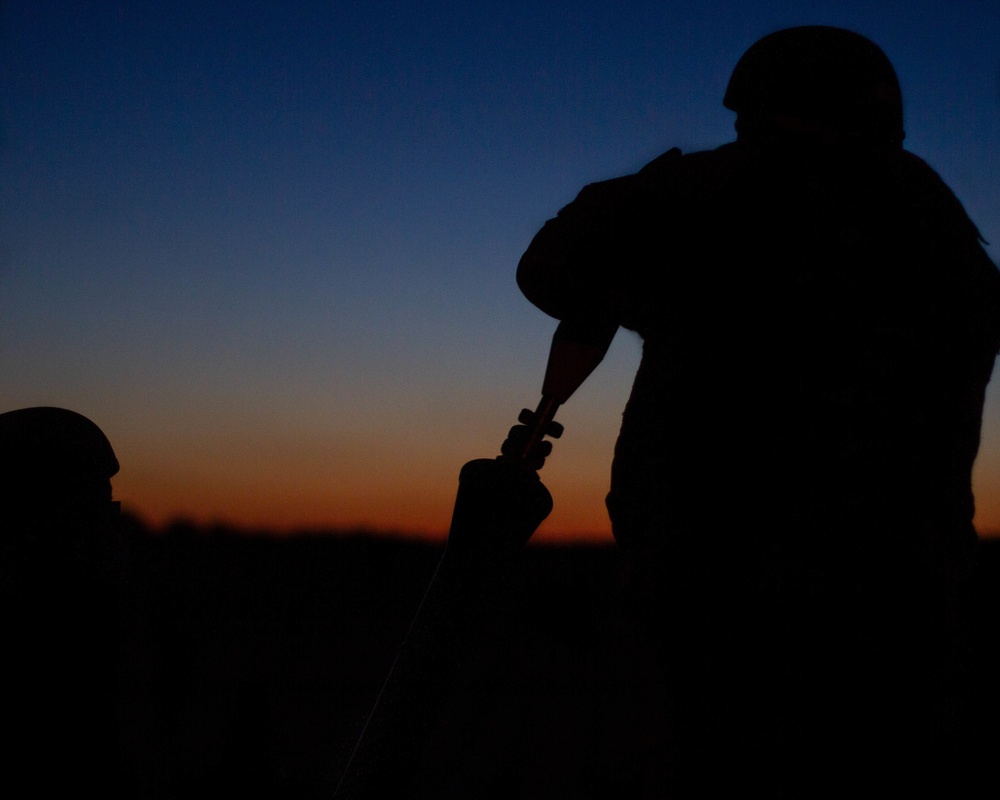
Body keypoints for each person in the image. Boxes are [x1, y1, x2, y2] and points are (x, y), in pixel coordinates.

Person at [517, 26, 1000, 796]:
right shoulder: (945, 235)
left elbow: (553, 266)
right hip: (909, 608)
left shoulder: (724, 193)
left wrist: (652, 289)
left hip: (724, 599)